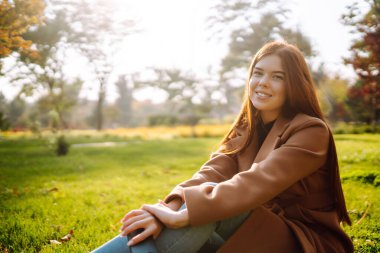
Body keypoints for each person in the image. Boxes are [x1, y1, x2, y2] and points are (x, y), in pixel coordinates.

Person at [91, 41, 354, 253]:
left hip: (302, 240)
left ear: (294, 85)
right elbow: (212, 172)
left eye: (277, 77)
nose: (262, 82)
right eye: (258, 73)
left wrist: (185, 215)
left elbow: (258, 182)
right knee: (190, 216)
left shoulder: (310, 130)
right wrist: (168, 209)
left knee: (208, 208)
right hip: (255, 231)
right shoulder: (246, 127)